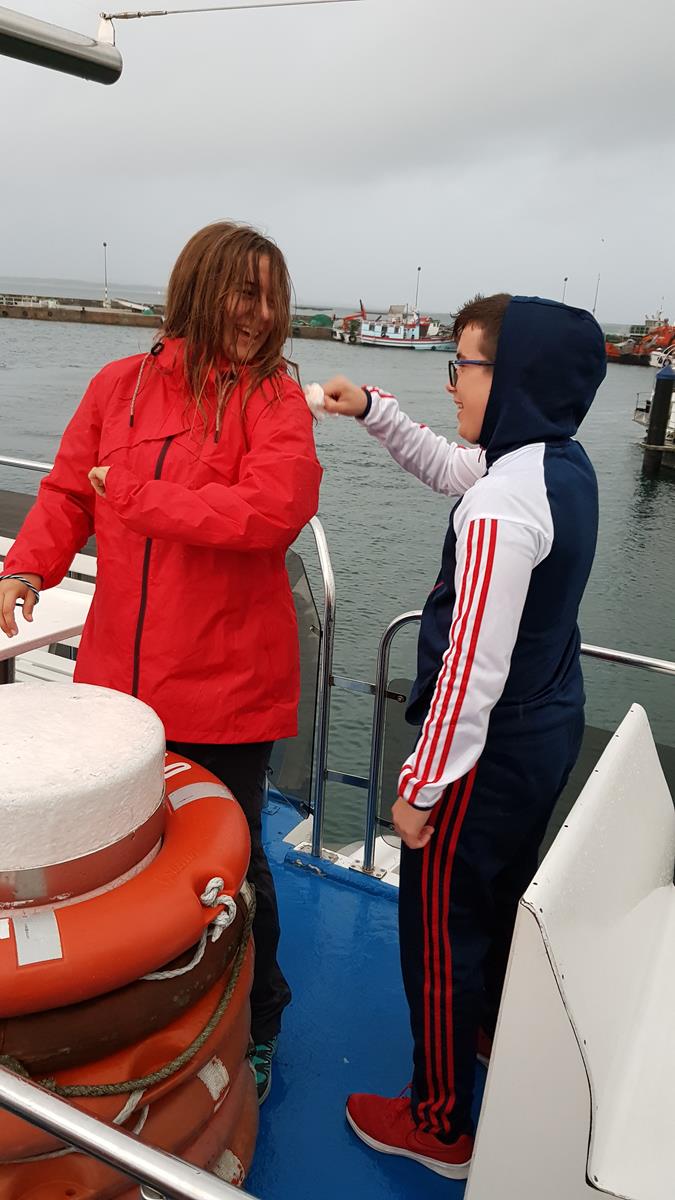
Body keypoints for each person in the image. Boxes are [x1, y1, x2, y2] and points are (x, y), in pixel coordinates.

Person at [0, 221, 323, 1104]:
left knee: (232, 865)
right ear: (199, 290)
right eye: (245, 293)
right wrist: (27, 566)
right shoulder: (119, 386)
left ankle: (259, 1018)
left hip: (228, 692)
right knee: (130, 861)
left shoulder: (273, 400)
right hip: (118, 688)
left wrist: (139, 497)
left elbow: (272, 511)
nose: (261, 315)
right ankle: (148, 1011)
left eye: (272, 298)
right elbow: (69, 490)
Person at [321, 294, 606, 1177]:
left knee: (440, 931)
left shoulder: (500, 508)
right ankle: (486, 1030)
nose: (451, 384)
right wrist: (375, 411)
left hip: (486, 754)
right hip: (549, 726)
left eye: (465, 366)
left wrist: (419, 787)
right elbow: (456, 467)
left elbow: (468, 669)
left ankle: (438, 1124)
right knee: (499, 894)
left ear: (511, 375)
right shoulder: (558, 463)